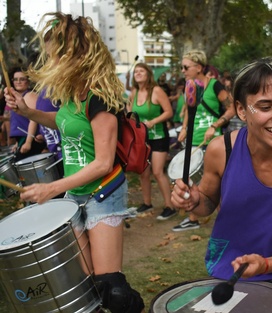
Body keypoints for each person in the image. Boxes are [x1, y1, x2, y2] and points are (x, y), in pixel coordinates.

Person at [4, 12, 144, 312]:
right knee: (87, 282)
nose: (50, 62)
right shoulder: (71, 94)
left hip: (103, 193)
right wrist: (28, 113)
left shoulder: (99, 96)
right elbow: (64, 122)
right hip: (75, 195)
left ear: (74, 55)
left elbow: (104, 163)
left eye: (55, 56)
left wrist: (51, 188)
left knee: (111, 289)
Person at [171, 57, 272, 313]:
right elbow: (205, 205)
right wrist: (192, 199)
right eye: (266, 106)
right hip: (234, 266)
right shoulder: (221, 150)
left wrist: (267, 264)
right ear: (241, 110)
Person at [174, 50, 235, 232]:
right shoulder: (189, 85)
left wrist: (215, 126)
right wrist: (184, 127)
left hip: (213, 143)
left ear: (199, 67)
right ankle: (193, 218)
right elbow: (187, 109)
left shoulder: (215, 86)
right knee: (192, 182)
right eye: (181, 67)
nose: (183, 71)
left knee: (217, 186)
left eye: (186, 67)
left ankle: (227, 224)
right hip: (194, 141)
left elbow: (232, 108)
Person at [127, 62, 177, 220]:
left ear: (148, 74)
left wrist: (153, 121)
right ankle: (147, 203)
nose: (138, 74)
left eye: (141, 71)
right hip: (142, 138)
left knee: (157, 171)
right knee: (143, 172)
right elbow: (129, 109)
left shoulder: (156, 91)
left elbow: (169, 112)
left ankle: (170, 206)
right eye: (136, 72)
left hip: (158, 136)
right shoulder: (134, 92)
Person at [9, 68, 46, 161]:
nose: (18, 82)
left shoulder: (29, 95)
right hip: (24, 140)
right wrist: (18, 143)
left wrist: (28, 142)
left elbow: (33, 120)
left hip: (33, 140)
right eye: (15, 79)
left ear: (28, 81)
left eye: (22, 79)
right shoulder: (18, 98)